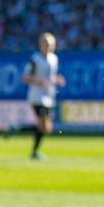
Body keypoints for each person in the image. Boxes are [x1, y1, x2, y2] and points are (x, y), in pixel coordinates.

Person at [22, 32, 64, 161]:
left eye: (51, 44)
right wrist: (38, 81)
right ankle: (34, 152)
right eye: (46, 43)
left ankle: (18, 128)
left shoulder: (54, 59)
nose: (48, 46)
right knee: (43, 126)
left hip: (49, 96)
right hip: (37, 97)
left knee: (47, 128)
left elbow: (49, 77)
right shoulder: (35, 60)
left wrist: (56, 79)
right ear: (40, 44)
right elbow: (25, 78)